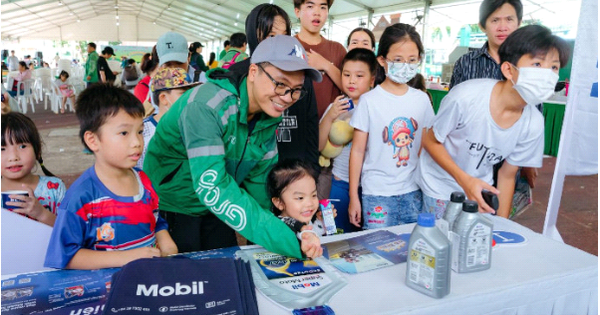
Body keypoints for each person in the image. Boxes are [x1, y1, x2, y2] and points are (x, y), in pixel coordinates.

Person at [143, 35, 323, 259]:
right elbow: (212, 185)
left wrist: (293, 228)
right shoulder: (206, 105)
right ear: (254, 72)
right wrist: (290, 243)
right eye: (280, 84)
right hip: (175, 205)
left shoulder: (268, 117)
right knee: (186, 276)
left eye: (297, 89)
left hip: (220, 204)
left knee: (225, 266)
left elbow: (261, 189)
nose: (287, 97)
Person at [417, 25, 570, 218]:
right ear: (508, 69)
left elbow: (506, 175)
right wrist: (465, 181)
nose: (547, 74)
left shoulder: (534, 123)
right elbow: (430, 140)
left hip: (481, 191)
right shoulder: (465, 97)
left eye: (554, 67)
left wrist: (502, 226)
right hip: (439, 186)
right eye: (537, 64)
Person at [44, 84, 178, 270]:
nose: (136, 142)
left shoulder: (144, 181)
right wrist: (126, 258)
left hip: (148, 283)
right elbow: (66, 257)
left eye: (139, 132)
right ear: (93, 140)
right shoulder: (81, 197)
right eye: (124, 133)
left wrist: (167, 243)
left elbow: (156, 221)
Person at [348, 23, 434, 229]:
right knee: (378, 252)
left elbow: (427, 145)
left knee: (413, 247)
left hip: (413, 190)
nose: (405, 65)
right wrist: (354, 197)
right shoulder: (369, 101)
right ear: (382, 60)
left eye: (412, 60)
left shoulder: (422, 100)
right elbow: (357, 151)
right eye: (397, 60)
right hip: (377, 193)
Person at [228, 3, 320, 171]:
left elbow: (310, 123)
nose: (279, 42)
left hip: (293, 169)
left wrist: (312, 169)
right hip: (250, 172)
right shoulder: (237, 74)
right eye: (271, 36)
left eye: (284, 36)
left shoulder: (301, 74)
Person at [319, 48, 377, 233]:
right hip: (339, 183)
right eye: (346, 74)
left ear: (372, 80)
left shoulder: (377, 108)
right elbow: (320, 146)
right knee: (335, 236)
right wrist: (329, 117)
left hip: (370, 186)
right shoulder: (336, 107)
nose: (351, 80)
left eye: (359, 75)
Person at [1, 112, 66, 227]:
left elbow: (69, 230)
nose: (13, 157)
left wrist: (41, 214)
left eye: (22, 146)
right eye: (2, 149)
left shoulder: (54, 188)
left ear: (37, 151)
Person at [449, 0, 522, 89]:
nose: (502, 28)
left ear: (519, 23)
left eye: (509, 19)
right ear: (482, 26)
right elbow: (454, 100)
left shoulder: (529, 63)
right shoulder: (465, 63)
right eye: (495, 20)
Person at [136, 67, 200, 168]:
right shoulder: (142, 132)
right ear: (164, 98)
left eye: (190, 93)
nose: (190, 98)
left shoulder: (193, 127)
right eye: (183, 94)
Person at [294, 0, 346, 118]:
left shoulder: (338, 49)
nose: (317, 12)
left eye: (323, 7)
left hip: (331, 130)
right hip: (296, 126)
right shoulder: (288, 46)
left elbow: (350, 87)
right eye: (310, 6)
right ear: (297, 12)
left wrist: (326, 65)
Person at [267, 159, 326, 257]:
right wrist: (306, 232)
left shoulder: (303, 219)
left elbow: (312, 233)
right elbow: (297, 229)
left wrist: (321, 221)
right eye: (300, 198)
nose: (309, 203)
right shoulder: (278, 224)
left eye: (314, 195)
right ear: (279, 203)